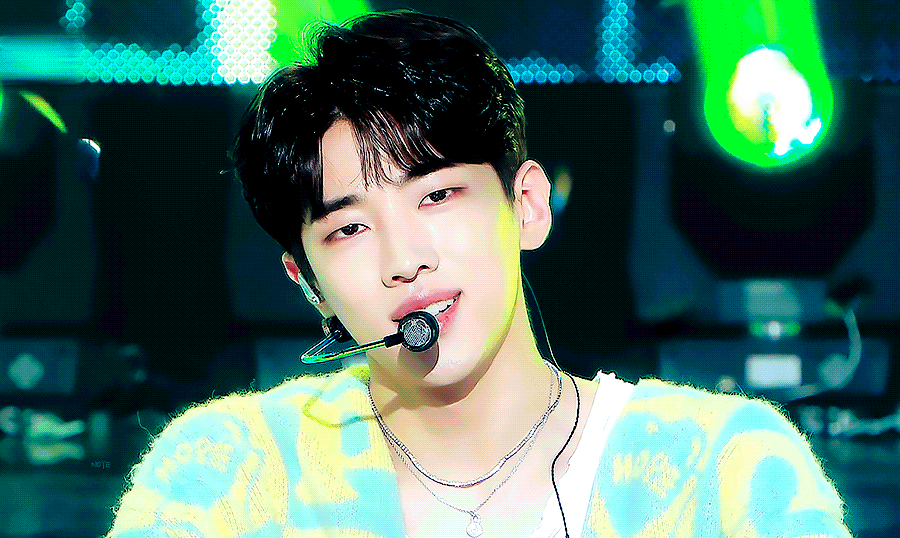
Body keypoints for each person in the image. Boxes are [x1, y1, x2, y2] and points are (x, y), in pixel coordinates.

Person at [106, 10, 852, 538]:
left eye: (436, 196)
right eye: (350, 228)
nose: (405, 260)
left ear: (527, 206)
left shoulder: (722, 469)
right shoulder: (226, 475)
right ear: (306, 282)